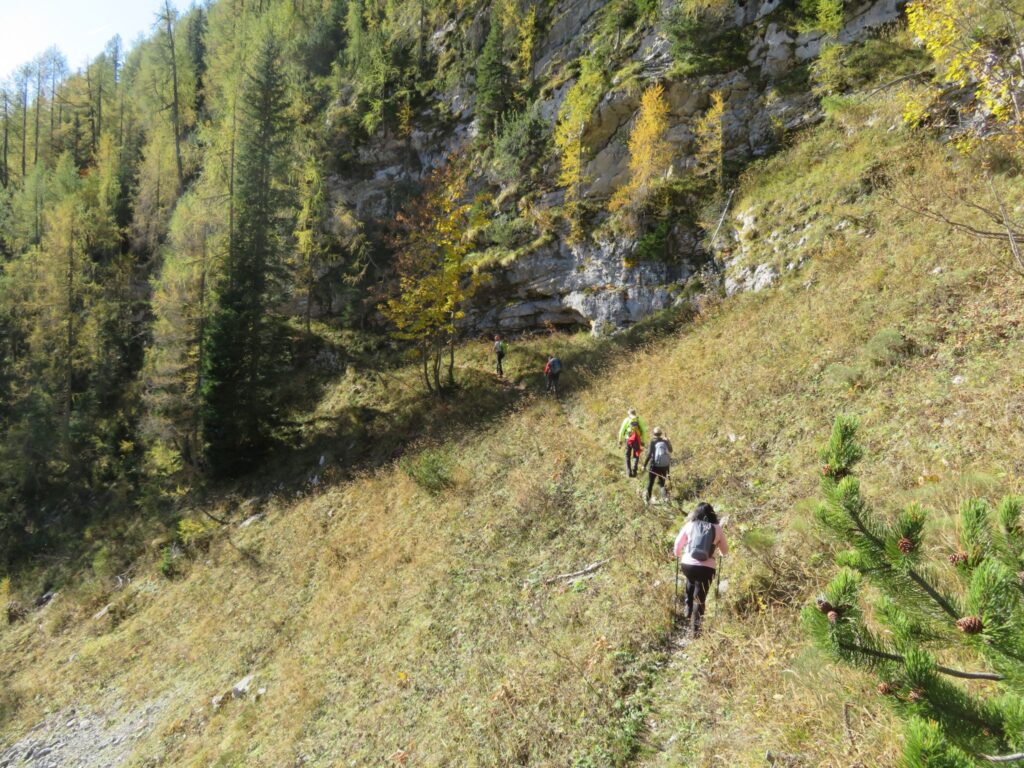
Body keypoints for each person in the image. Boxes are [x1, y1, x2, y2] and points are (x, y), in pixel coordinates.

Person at [673, 502, 729, 635]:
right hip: (707, 568)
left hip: (688, 565)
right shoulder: (717, 528)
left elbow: (678, 544)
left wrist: (677, 554)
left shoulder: (690, 525)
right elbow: (725, 550)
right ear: (712, 514)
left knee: (691, 579)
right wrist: (721, 553)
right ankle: (696, 630)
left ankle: (688, 607)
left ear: (696, 513)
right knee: (700, 597)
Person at [642, 427, 672, 502]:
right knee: (662, 483)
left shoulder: (653, 442)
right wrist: (668, 441)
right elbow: (671, 450)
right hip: (664, 466)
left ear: (654, 434)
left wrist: (644, 465)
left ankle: (647, 500)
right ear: (661, 434)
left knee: (650, 482)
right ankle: (665, 498)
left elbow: (649, 454)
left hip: (654, 466)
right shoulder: (665, 441)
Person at [617, 408, 648, 478]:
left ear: (629, 413)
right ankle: (634, 471)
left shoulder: (627, 419)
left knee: (627, 455)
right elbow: (644, 430)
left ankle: (629, 472)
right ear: (635, 413)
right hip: (637, 439)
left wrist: (620, 441)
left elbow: (621, 431)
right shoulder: (639, 419)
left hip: (629, 439)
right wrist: (643, 441)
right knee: (636, 454)